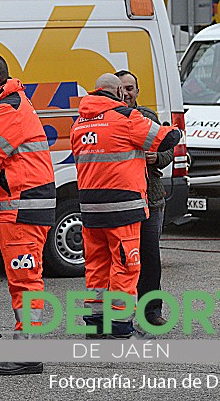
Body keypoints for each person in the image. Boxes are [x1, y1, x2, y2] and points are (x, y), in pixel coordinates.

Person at [69, 74, 180, 339]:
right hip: (123, 208)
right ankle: (120, 328)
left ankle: (96, 326)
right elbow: (165, 139)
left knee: (96, 269)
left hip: (91, 209)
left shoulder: (79, 124)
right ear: (118, 91)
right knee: (125, 267)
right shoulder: (126, 118)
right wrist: (177, 130)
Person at [0, 53, 56, 376]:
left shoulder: (7, 108)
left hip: (23, 205)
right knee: (23, 279)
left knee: (25, 280)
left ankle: (27, 351)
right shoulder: (7, 105)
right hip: (22, 204)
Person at [115, 70, 173, 327]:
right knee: (120, 261)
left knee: (150, 259)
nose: (127, 93)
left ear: (137, 91)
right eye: (123, 88)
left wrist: (157, 158)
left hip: (151, 199)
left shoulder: (147, 117)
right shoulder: (110, 120)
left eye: (131, 88)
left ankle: (152, 312)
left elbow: (169, 149)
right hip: (122, 202)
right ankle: (119, 312)